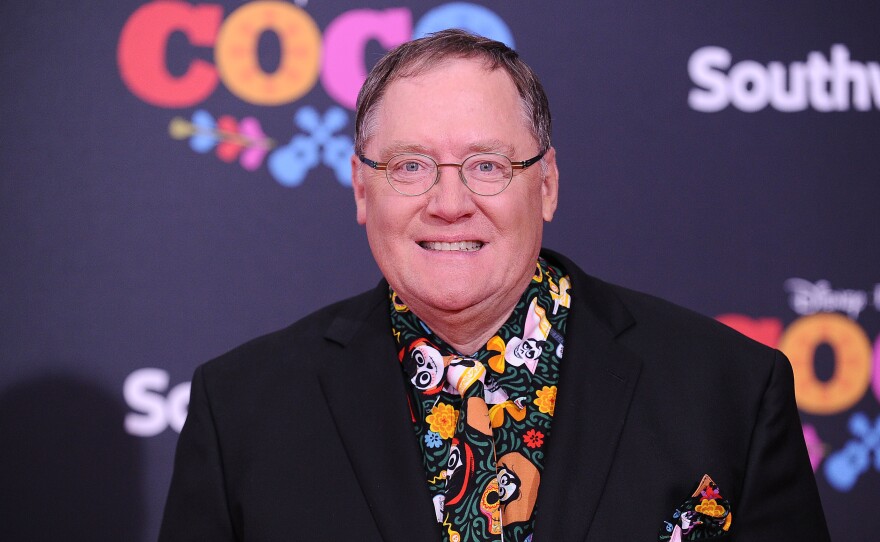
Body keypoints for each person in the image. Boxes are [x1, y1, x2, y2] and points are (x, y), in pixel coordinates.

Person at [159, 30, 830, 541]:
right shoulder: (241, 411)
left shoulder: (729, 389)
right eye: (410, 165)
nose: (449, 203)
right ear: (361, 189)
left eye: (486, 165)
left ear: (547, 184)